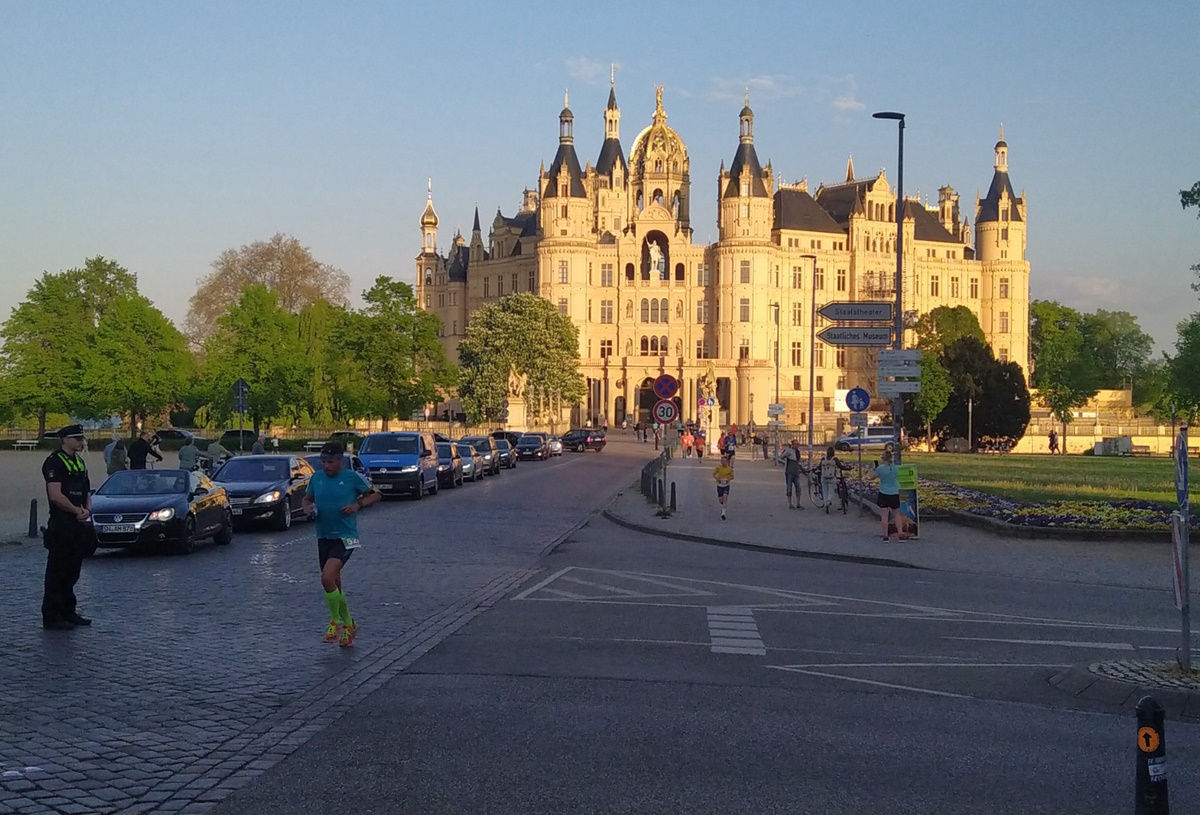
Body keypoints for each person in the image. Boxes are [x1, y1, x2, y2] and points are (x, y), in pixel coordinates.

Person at [301, 441, 381, 647]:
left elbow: (376, 494)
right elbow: (306, 499)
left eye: (330, 462)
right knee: (334, 584)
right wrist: (308, 508)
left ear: (340, 461)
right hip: (324, 535)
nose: (326, 466)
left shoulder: (352, 477)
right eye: (324, 462)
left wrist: (358, 504)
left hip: (346, 536)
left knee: (326, 577)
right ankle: (349, 625)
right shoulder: (316, 478)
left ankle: (334, 622)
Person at [41, 425, 94, 630]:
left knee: (73, 571)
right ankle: (52, 616)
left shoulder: (79, 462)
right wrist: (75, 510)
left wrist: (87, 509)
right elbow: (55, 494)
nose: (82, 442)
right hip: (62, 523)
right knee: (57, 572)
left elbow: (86, 489)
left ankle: (68, 611)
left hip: (78, 523)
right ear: (64, 439)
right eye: (77, 438)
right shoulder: (54, 462)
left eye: (82, 438)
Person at [871, 450, 906, 541]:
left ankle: (886, 535)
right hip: (894, 492)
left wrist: (873, 468)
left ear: (883, 458)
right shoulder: (895, 468)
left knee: (884, 514)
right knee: (897, 514)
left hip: (884, 493)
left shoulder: (880, 469)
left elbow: (872, 477)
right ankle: (901, 533)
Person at [818, 446, 854, 513]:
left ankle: (826, 504)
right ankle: (829, 501)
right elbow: (841, 467)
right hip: (832, 477)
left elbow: (819, 467)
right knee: (831, 492)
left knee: (825, 492)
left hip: (823, 477)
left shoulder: (823, 459)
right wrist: (849, 468)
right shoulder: (835, 459)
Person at [778, 439, 807, 510]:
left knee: (798, 488)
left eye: (798, 444)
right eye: (796, 444)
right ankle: (790, 504)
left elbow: (798, 462)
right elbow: (781, 457)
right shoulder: (789, 451)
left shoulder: (798, 452)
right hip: (789, 472)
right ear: (792, 445)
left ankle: (798, 503)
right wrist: (785, 457)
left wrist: (803, 470)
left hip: (796, 472)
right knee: (789, 488)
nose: (797, 445)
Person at [712, 453, 735, 520]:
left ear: (727, 462)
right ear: (721, 462)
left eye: (725, 461)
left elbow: (732, 477)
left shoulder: (730, 469)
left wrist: (729, 479)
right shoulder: (718, 468)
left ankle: (723, 513)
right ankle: (722, 503)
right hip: (719, 485)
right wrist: (717, 478)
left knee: (725, 498)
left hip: (726, 485)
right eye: (723, 461)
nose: (724, 463)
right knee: (721, 500)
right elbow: (713, 474)